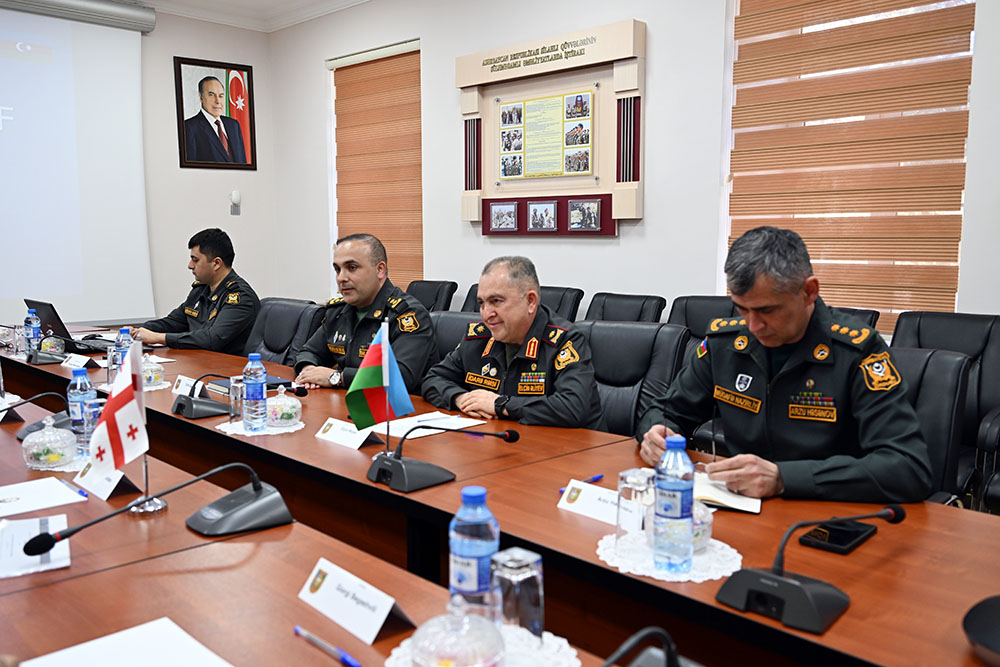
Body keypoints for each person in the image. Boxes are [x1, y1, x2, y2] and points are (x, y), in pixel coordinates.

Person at [636, 226, 932, 503]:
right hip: (739, 507)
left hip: (826, 513)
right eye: (742, 309)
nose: (753, 326)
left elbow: (908, 467)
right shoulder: (724, 344)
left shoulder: (857, 352)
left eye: (767, 310)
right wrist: (656, 432)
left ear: (809, 292)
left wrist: (784, 478)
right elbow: (667, 409)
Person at [422, 256, 603, 429]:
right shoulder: (479, 337)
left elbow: (573, 407)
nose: (486, 314)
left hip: (571, 447)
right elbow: (433, 379)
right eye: (482, 303)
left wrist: (501, 404)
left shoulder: (564, 340)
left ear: (530, 301)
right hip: (500, 440)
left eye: (496, 301)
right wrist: (460, 398)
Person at [294, 234, 437, 393]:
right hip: (348, 400)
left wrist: (338, 377)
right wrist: (308, 371)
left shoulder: (407, 314)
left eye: (352, 268)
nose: (341, 278)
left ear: (380, 270)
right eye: (337, 269)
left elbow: (400, 377)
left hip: (396, 406)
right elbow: (309, 352)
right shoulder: (338, 311)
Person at [132, 228, 259, 355]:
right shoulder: (201, 289)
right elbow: (174, 322)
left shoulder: (240, 297)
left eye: (195, 260)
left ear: (216, 263)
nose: (190, 265)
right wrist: (137, 331)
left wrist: (158, 338)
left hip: (225, 365)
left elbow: (212, 339)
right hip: (199, 360)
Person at [184, 76, 247, 163]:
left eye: (221, 96)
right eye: (211, 95)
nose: (217, 101)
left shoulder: (234, 125)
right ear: (201, 96)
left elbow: (243, 162)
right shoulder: (189, 127)